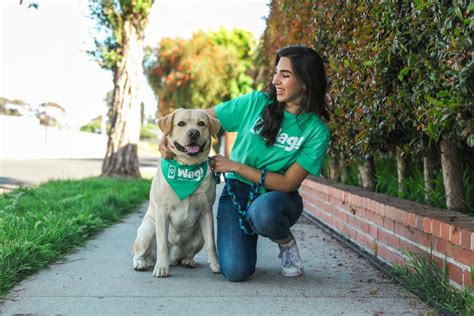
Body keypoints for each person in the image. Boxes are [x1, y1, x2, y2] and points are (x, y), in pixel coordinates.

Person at [160, 45, 330, 282]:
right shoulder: (255, 103)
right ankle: (246, 230)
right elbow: (199, 117)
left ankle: (285, 243)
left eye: (286, 75)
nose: (276, 80)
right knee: (235, 271)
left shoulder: (316, 130)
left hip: (277, 198)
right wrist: (166, 138)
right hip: (237, 192)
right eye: (276, 73)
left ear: (306, 82)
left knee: (264, 211)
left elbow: (289, 182)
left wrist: (236, 166)